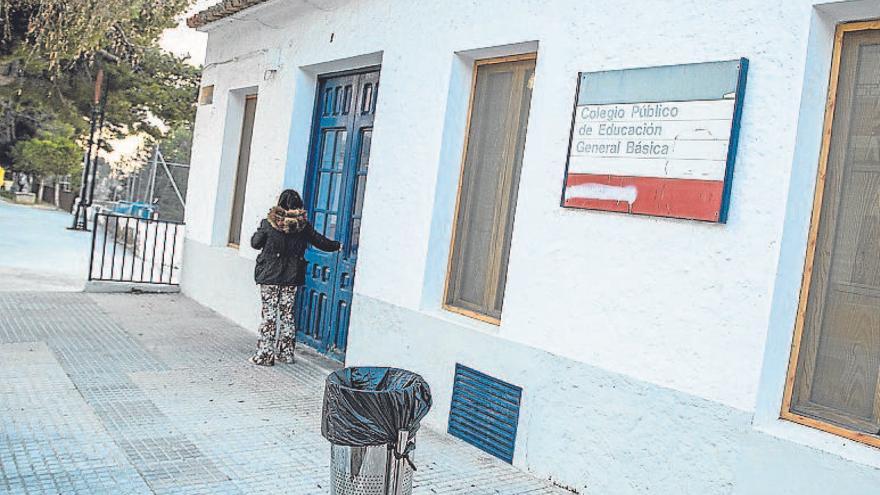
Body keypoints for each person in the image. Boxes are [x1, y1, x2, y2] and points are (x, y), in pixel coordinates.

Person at [249, 189, 340, 366]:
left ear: (280, 203)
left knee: (269, 316)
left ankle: (265, 356)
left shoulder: (269, 223)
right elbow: (321, 242)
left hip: (269, 276)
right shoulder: (303, 226)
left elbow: (255, 243)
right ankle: (286, 354)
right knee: (287, 314)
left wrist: (262, 230)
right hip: (291, 277)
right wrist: (338, 246)